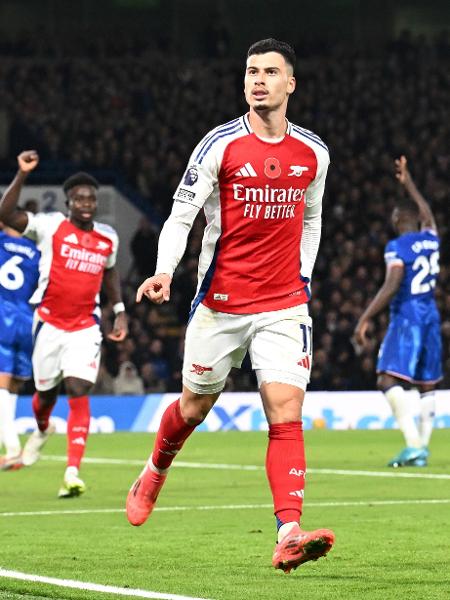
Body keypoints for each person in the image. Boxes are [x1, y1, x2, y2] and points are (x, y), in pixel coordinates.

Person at [126, 38, 334, 573]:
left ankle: (288, 531)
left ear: (291, 83)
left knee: (286, 414)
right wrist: (164, 270)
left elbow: (311, 219)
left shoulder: (314, 153)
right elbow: (181, 214)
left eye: (269, 72)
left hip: (284, 305)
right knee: (193, 409)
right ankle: (153, 469)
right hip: (220, 305)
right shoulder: (219, 145)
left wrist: (304, 275)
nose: (258, 80)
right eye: (250, 72)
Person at [0, 150, 128, 497]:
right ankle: (42, 429)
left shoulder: (107, 237)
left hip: (85, 327)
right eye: (80, 198)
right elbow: (6, 213)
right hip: (48, 325)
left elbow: (111, 272)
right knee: (43, 396)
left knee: (78, 388)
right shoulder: (50, 226)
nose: (87, 204)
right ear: (69, 201)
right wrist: (22, 174)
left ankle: (72, 471)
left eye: (91, 199)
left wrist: (118, 308)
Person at [354, 156, 442, 467]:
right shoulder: (431, 240)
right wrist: (410, 183)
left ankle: (414, 445)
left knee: (386, 381)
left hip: (407, 315)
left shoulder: (397, 247)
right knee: (427, 384)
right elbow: (428, 215)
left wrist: (365, 317)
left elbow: (392, 284)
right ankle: (422, 450)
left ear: (397, 220)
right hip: (430, 313)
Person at [0, 223, 40, 470]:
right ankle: (9, 444)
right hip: (28, 320)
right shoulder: (35, 252)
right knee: (15, 385)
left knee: (1, 385)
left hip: (2, 314)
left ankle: (13, 449)